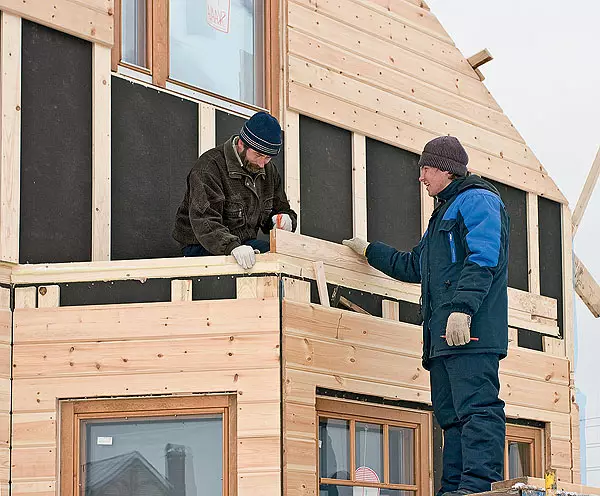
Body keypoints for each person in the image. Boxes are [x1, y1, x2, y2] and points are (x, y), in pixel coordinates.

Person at [343, 136, 509, 496]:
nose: (421, 177)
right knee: (451, 419)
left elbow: (484, 259)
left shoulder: (478, 200)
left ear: (446, 170)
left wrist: (463, 309)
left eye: (427, 169)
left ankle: (478, 488)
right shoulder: (443, 213)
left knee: (478, 409)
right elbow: (415, 265)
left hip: (471, 332)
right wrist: (370, 251)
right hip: (443, 339)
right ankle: (455, 489)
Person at [173, 111, 297, 269]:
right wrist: (231, 247)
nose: (262, 164)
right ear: (241, 144)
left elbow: (281, 208)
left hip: (244, 244)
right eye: (258, 155)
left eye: (268, 158)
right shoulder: (209, 168)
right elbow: (205, 221)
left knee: (280, 260)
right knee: (254, 267)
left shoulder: (268, 170)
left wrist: (284, 219)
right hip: (201, 245)